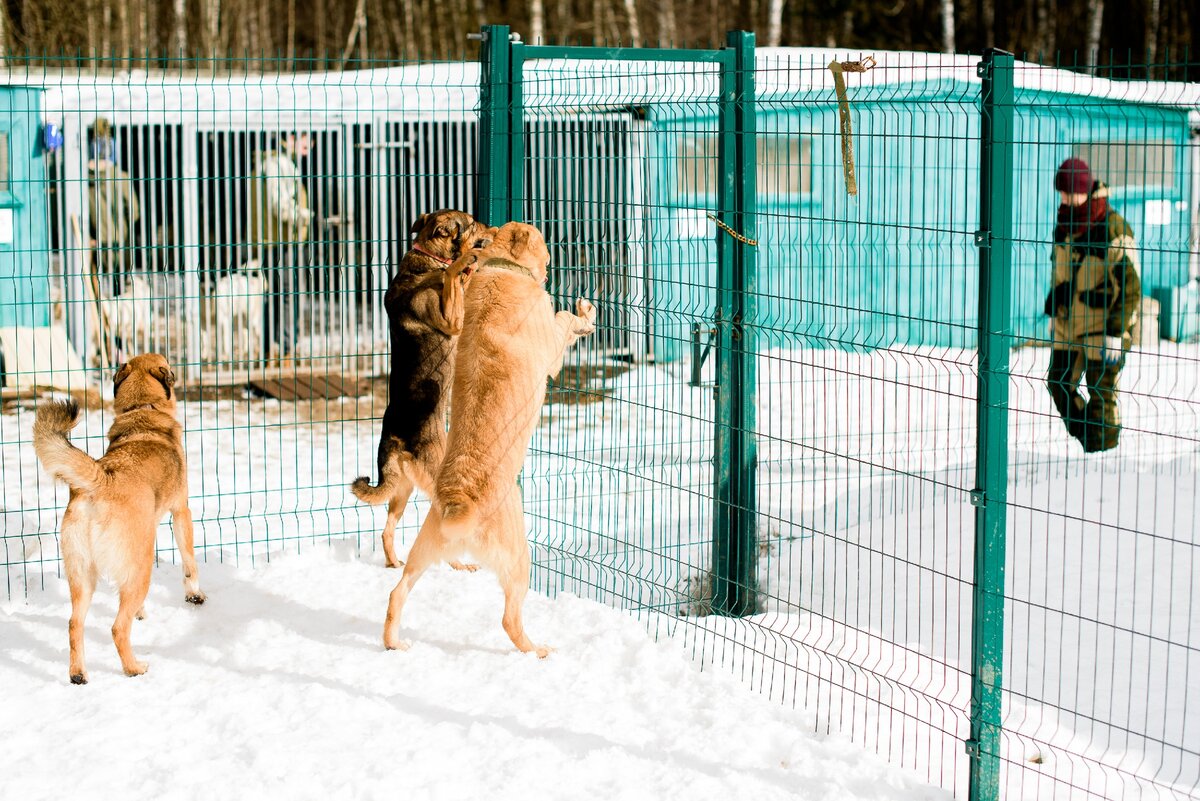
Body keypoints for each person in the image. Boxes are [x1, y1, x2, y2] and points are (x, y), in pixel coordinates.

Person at [1044, 157, 1141, 453]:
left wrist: (1116, 330)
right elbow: (1061, 271)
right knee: (1059, 383)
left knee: (1101, 391)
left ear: (1086, 189)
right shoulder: (1064, 225)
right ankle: (1088, 441)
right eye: (1062, 192)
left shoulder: (1111, 228)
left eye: (1071, 191)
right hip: (1069, 324)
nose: (1066, 198)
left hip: (1104, 328)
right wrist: (1056, 299)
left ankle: (1106, 451)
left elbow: (1131, 287)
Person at [248, 131, 314, 359]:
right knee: (287, 294)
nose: (310, 142)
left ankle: (272, 348)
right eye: (304, 136)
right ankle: (285, 350)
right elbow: (281, 207)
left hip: (276, 240)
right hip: (283, 241)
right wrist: (306, 215)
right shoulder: (279, 165)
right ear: (289, 137)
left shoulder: (273, 163)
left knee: (277, 294)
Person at [87, 117, 140, 295]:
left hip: (93, 244)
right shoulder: (121, 178)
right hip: (119, 243)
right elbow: (134, 212)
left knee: (94, 288)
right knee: (119, 289)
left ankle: (99, 318)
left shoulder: (82, 180)